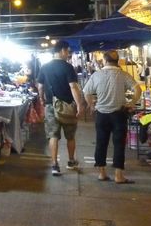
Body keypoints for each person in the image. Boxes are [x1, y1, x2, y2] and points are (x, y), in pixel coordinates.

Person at [82, 50, 142, 184]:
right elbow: (138, 89)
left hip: (101, 114)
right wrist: (131, 102)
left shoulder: (97, 75)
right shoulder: (123, 74)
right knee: (119, 144)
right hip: (118, 114)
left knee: (101, 142)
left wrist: (91, 105)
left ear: (105, 60)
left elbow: (86, 92)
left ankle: (102, 173)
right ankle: (118, 175)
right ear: (117, 61)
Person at [37, 40, 86, 176]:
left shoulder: (44, 67)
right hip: (68, 106)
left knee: (53, 136)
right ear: (62, 50)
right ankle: (70, 161)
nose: (68, 54)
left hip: (50, 106)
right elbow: (73, 87)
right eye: (68, 51)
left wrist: (41, 99)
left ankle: (54, 165)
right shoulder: (68, 67)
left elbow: (40, 86)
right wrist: (79, 105)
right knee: (70, 136)